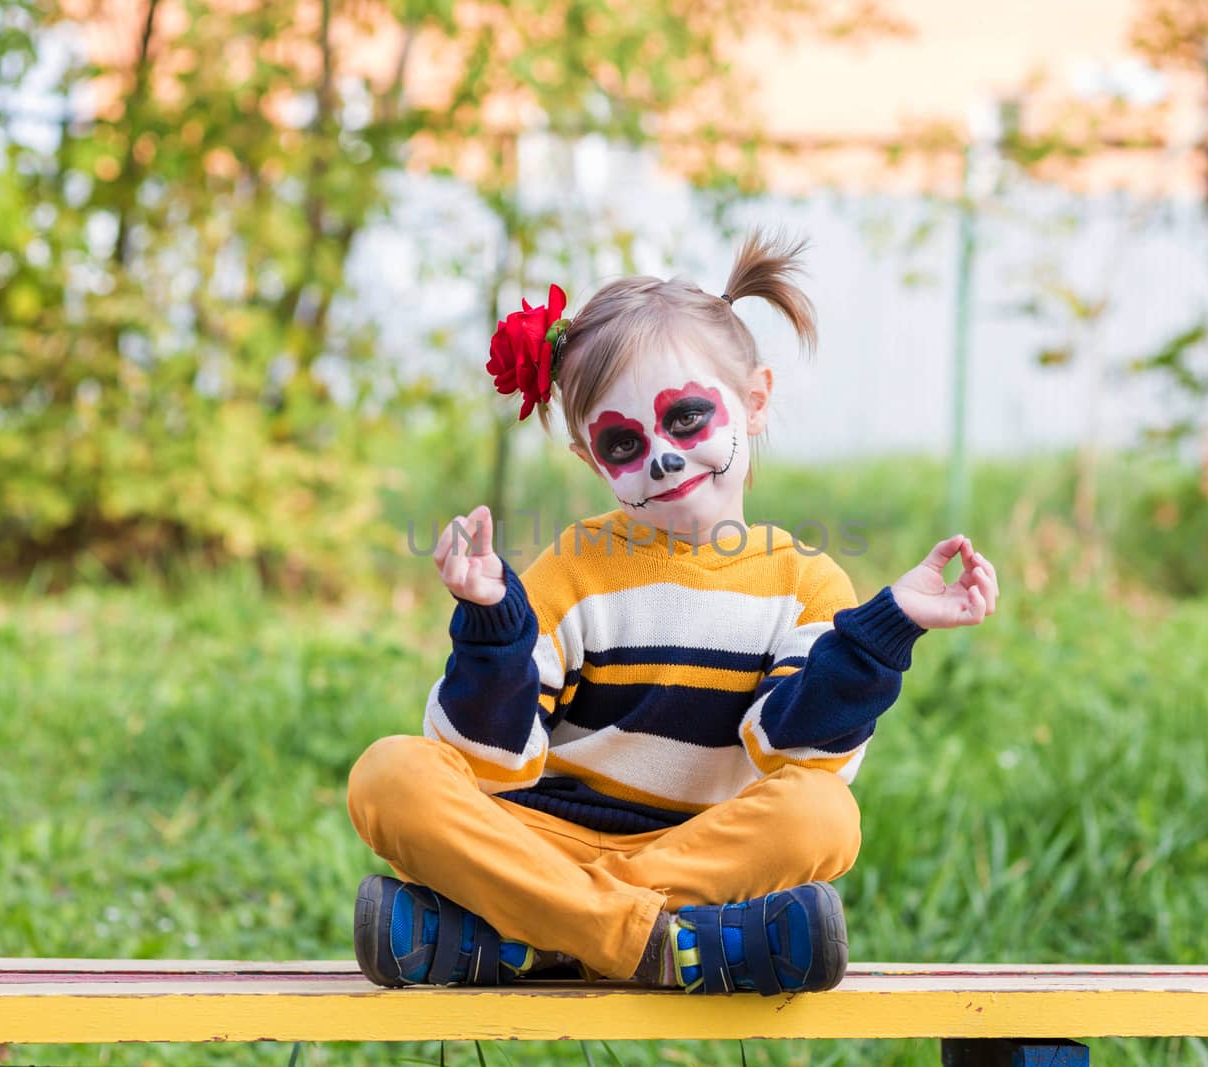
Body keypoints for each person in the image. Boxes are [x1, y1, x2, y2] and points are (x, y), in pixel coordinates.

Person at [346, 229, 1000, 996]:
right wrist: (491, 623)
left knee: (825, 813)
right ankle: (663, 944)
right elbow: (491, 759)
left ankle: (532, 935)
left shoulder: (806, 584)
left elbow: (790, 753)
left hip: (691, 851)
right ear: (593, 460)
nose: (661, 455)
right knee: (390, 773)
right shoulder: (574, 567)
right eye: (624, 442)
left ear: (753, 401)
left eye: (685, 419)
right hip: (543, 838)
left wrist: (888, 627)